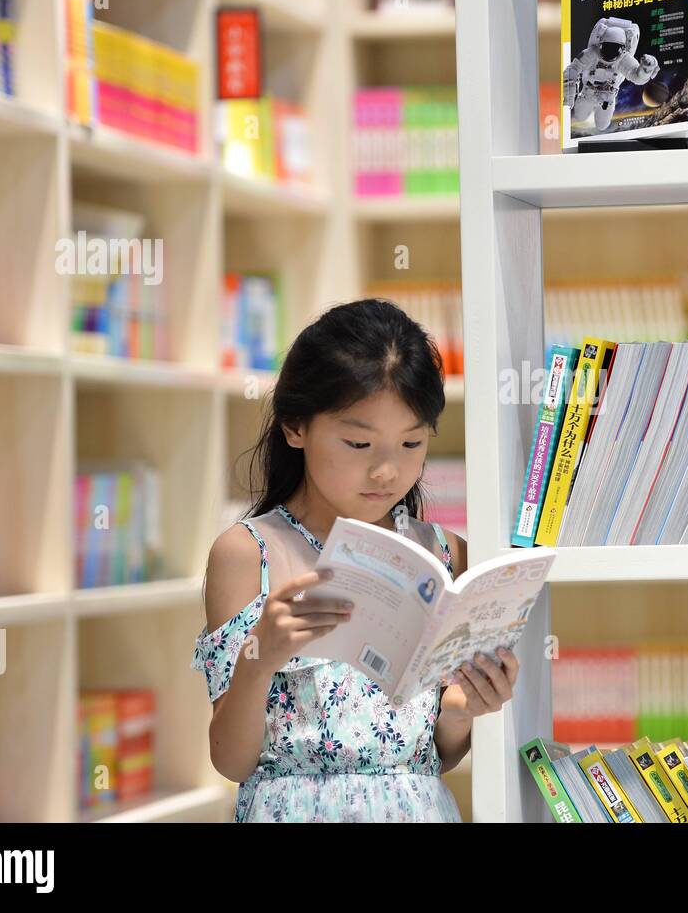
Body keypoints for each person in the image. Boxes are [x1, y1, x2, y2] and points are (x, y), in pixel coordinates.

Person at [192, 299, 518, 822]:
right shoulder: (247, 553)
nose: (387, 471)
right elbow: (231, 761)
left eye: (412, 442)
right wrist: (259, 658)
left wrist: (463, 710)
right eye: (359, 442)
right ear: (295, 427)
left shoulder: (445, 555)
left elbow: (435, 756)